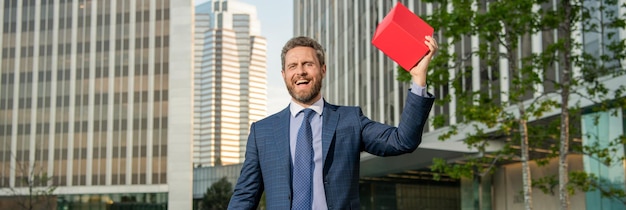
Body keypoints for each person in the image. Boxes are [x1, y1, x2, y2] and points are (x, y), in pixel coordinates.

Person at [228, 35, 438, 210]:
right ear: (284, 75)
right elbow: (245, 196)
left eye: (308, 64)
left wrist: (419, 79)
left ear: (323, 70)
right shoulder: (261, 131)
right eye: (292, 66)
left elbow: (402, 141)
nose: (300, 71)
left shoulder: (350, 120)